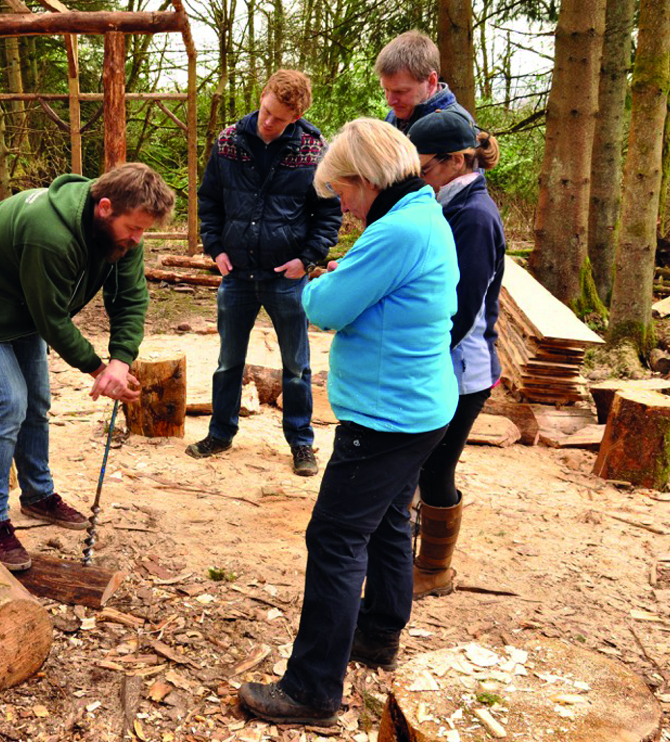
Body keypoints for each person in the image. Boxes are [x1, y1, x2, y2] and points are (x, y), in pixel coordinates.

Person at [237, 119, 459, 726]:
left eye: (345, 193)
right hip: (418, 408)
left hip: (388, 417)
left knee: (334, 540)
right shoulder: (424, 212)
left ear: (367, 178)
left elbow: (329, 309)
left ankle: (311, 691)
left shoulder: (395, 231)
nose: (347, 207)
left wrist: (318, 282)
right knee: (388, 521)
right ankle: (380, 630)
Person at [0, 164, 176, 571]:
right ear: (105, 208)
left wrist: (120, 359)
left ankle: (38, 496)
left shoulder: (126, 237)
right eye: (132, 228)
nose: (137, 239)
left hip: (20, 301)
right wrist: (98, 369)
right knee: (8, 402)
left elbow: (130, 299)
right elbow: (52, 319)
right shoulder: (50, 234)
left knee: (36, 400)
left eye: (143, 231)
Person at [185, 69, 342, 477]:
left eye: (280, 118)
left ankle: (301, 443)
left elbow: (328, 213)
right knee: (227, 362)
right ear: (263, 94)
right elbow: (209, 199)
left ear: (296, 117)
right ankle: (220, 433)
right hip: (236, 274)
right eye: (266, 111)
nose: (268, 122)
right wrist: (215, 246)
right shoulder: (227, 141)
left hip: (286, 277)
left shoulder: (313, 148)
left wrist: (306, 260)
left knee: (296, 366)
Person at [407, 110, 505, 599]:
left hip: (463, 366)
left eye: (423, 168)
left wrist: (419, 354)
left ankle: (435, 568)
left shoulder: (474, 216)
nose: (418, 178)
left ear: (451, 161)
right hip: (442, 360)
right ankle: (409, 555)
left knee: (436, 468)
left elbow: (460, 308)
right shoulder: (447, 204)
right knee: (418, 463)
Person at [375, 29, 474, 135]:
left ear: (431, 82)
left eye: (400, 91)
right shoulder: (393, 118)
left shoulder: (455, 127)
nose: (390, 101)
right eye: (386, 89)